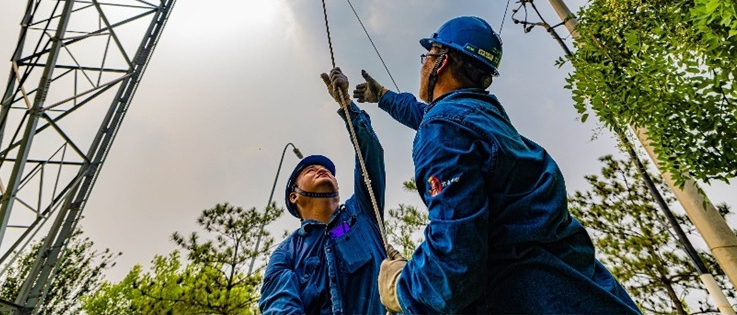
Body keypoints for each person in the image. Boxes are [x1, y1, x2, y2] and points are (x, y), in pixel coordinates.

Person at [353, 16, 641, 314]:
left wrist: (401, 287)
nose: (423, 65)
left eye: (427, 56)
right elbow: (429, 115)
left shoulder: (445, 129)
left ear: (441, 62)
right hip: (588, 294)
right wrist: (385, 98)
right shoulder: (483, 120)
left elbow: (454, 265)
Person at [259, 68, 388, 315]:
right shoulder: (287, 253)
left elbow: (370, 153)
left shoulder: (361, 213)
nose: (321, 169)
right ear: (293, 196)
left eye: (326, 169)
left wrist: (347, 105)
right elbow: (281, 307)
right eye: (310, 170)